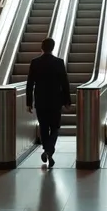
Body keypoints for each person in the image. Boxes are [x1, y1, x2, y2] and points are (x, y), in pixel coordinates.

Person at [26, 38, 71, 168]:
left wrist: (29, 102)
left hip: (40, 100)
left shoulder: (35, 63)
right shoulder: (59, 62)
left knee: (43, 127)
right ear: (53, 47)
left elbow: (30, 84)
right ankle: (49, 150)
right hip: (55, 101)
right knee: (55, 127)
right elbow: (64, 83)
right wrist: (67, 101)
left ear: (42, 47)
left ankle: (47, 150)